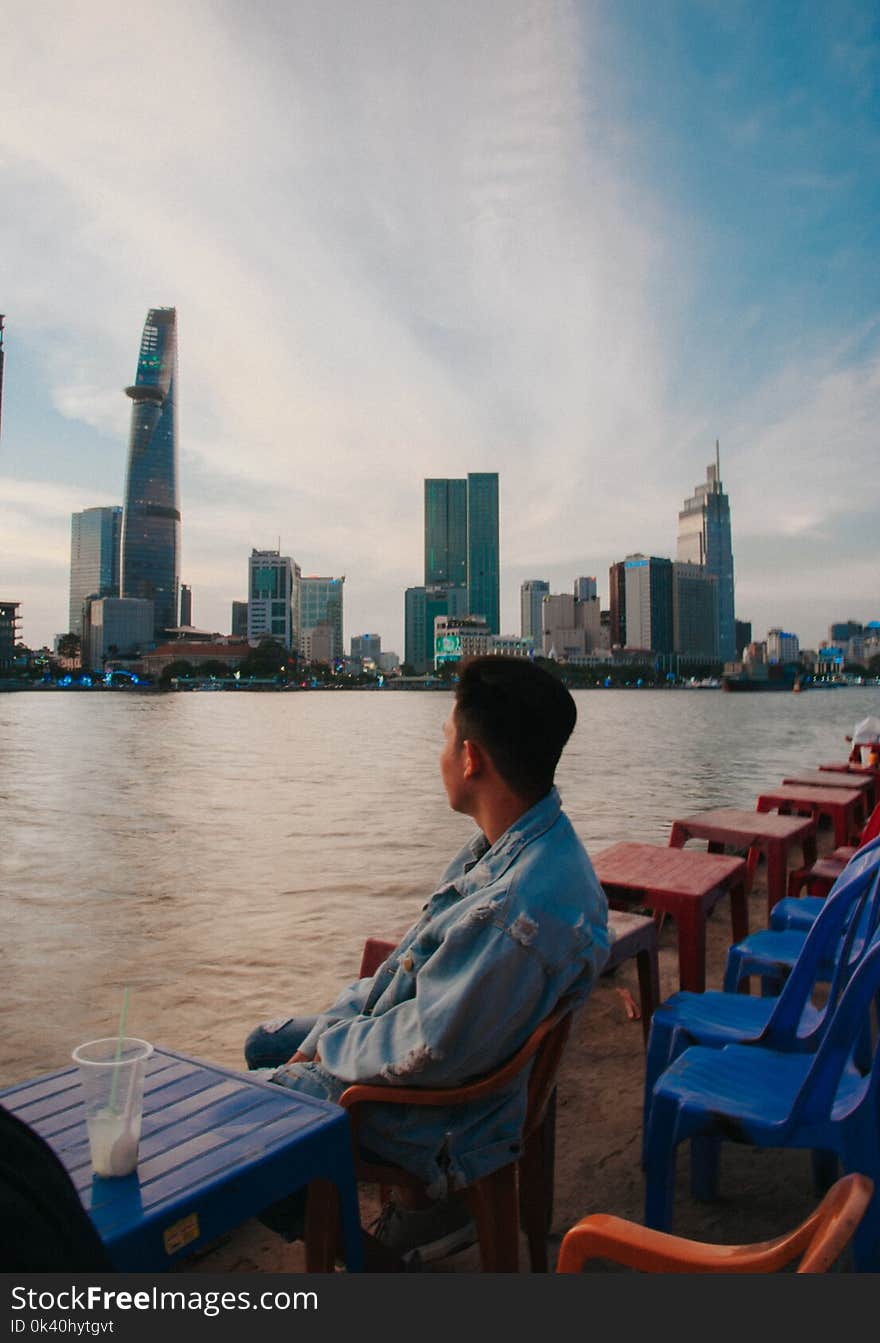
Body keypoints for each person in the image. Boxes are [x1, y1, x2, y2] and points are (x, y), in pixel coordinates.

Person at [245, 655, 610, 1265]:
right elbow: (416, 971)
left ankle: (378, 1267)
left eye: (445, 738)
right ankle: (423, 1219)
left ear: (471, 759)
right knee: (265, 1044)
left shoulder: (516, 911)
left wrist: (330, 1047)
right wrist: (339, 1022)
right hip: (452, 1057)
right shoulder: (527, 841)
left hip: (447, 1113)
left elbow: (430, 1045)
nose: (439, 752)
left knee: (240, 1124)